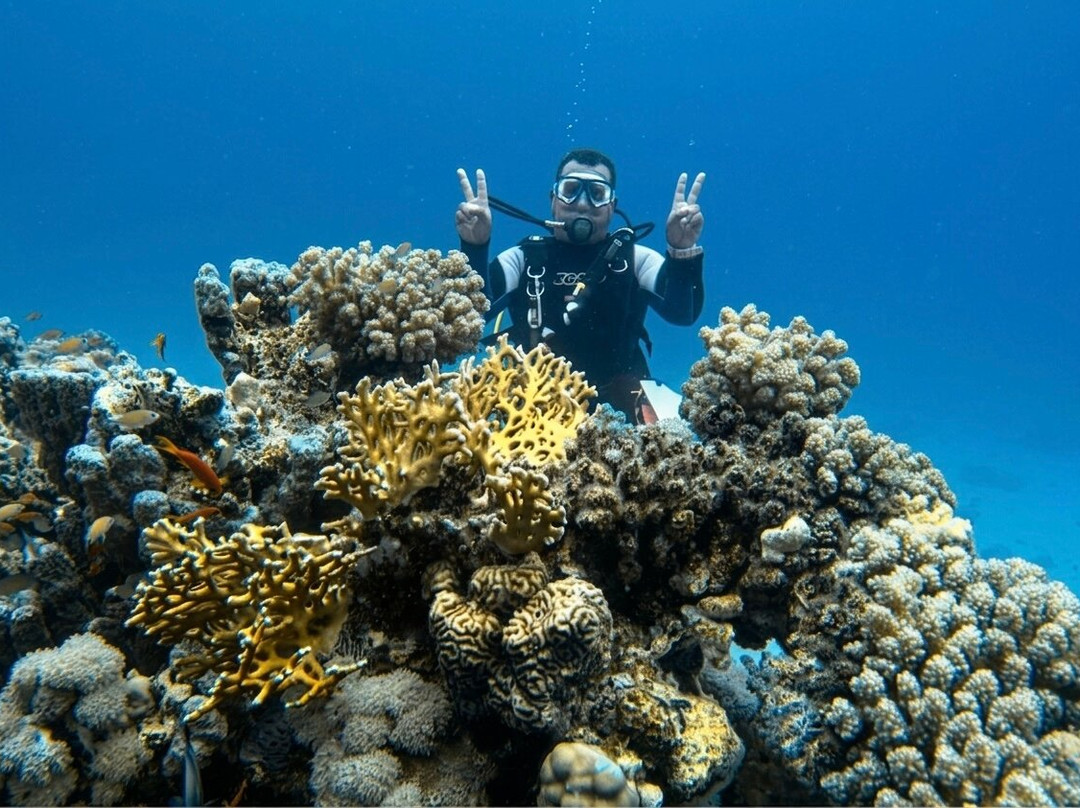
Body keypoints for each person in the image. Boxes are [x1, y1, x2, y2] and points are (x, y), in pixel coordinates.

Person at [455, 148, 706, 422]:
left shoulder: (636, 260)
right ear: (553, 199)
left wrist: (681, 251)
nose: (583, 203)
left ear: (612, 206)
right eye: (571, 189)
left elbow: (682, 314)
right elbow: (472, 318)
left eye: (597, 194)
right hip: (533, 411)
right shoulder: (522, 259)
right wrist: (475, 247)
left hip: (623, 410)